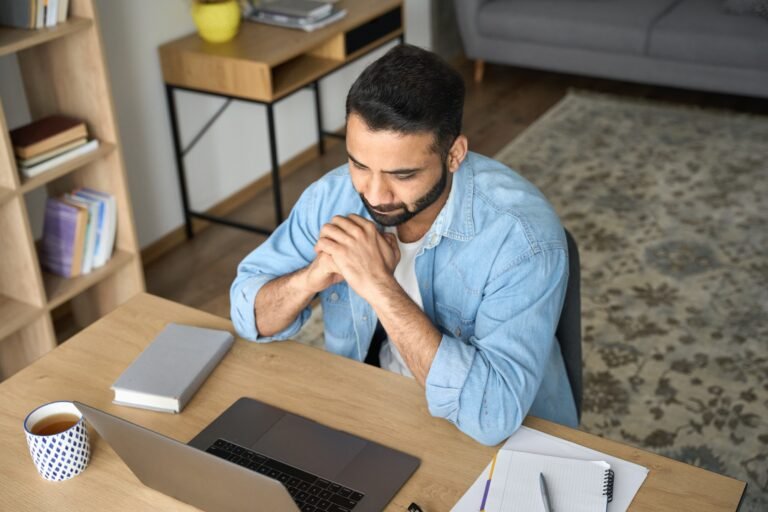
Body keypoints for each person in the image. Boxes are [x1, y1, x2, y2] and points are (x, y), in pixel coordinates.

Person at [231, 44, 578, 446]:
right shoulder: (333, 196)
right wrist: (310, 279)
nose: (375, 194)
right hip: (372, 409)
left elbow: (491, 415)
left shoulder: (522, 239)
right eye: (359, 164)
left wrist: (378, 287)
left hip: (502, 441)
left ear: (454, 155)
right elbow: (247, 315)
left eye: (403, 174)